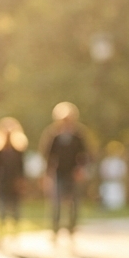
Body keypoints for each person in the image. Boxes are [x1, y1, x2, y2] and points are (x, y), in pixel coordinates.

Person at [39, 102, 89, 239]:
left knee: (74, 203)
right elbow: (47, 154)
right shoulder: (53, 135)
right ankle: (55, 229)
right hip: (58, 173)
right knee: (56, 203)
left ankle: (72, 228)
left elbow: (85, 154)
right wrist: (48, 172)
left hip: (73, 174)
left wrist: (80, 169)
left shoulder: (78, 135)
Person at [0, 117, 28, 242]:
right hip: (2, 184)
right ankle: (2, 233)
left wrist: (22, 183)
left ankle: (15, 233)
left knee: (15, 210)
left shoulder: (18, 152)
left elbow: (22, 169)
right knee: (2, 210)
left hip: (14, 184)